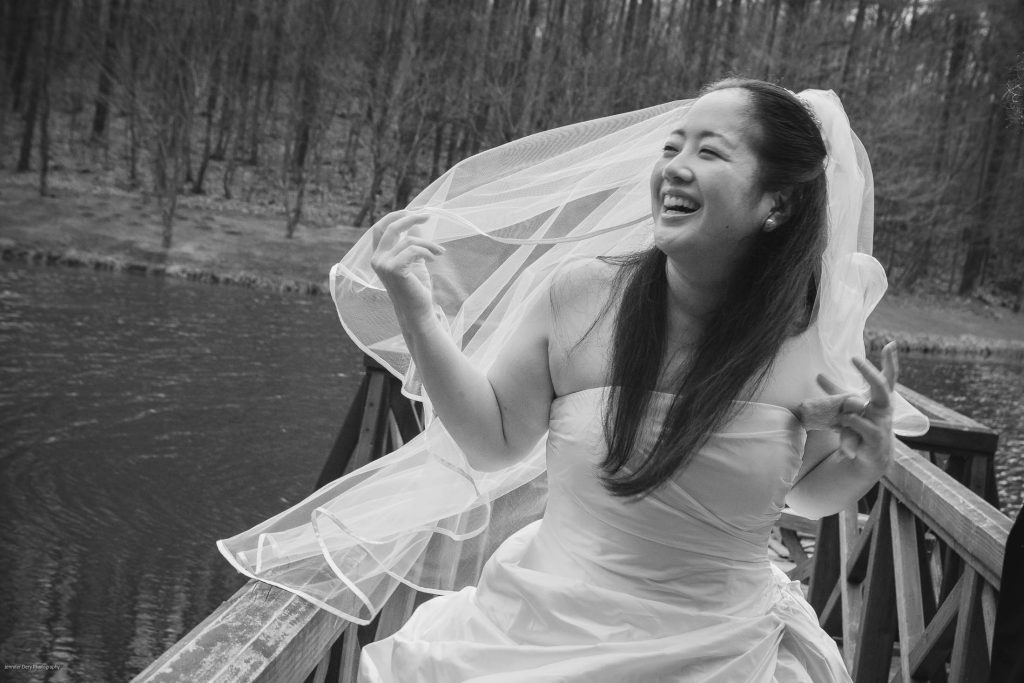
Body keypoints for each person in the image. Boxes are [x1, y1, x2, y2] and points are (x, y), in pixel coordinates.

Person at [218, 78, 928, 682]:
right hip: (546, 630)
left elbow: (803, 492)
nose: (675, 166)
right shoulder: (581, 296)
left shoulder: (809, 329)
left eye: (709, 152)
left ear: (776, 204)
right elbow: (494, 438)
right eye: (672, 146)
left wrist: (864, 462)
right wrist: (417, 310)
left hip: (724, 649)